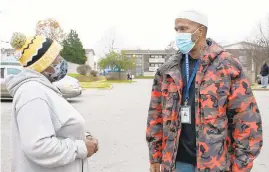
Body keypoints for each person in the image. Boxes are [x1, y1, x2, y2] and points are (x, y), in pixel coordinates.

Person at [146, 10, 263, 172]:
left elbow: (246, 118)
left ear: (200, 31)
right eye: (176, 30)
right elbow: (155, 116)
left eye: (183, 29)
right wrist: (155, 156)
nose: (179, 34)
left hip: (215, 164)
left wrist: (241, 165)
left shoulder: (227, 66)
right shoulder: (168, 70)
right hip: (176, 162)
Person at [6, 32, 99, 172]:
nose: (61, 61)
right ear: (44, 64)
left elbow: (57, 126)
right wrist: (80, 148)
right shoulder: (33, 93)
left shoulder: (44, 88)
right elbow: (38, 146)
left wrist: (83, 137)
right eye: (56, 57)